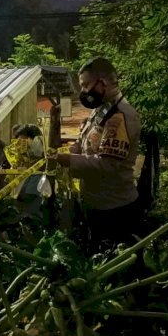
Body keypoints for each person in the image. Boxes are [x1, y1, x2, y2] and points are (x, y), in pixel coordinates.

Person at [54, 57, 141, 253]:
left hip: (114, 211)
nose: (83, 92)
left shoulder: (120, 116)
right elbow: (87, 142)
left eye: (85, 85)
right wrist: (71, 150)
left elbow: (107, 165)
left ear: (103, 83)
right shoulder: (102, 110)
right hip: (97, 204)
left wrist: (68, 160)